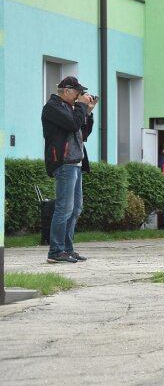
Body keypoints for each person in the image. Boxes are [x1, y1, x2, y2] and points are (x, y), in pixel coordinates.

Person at [42, 76, 96, 263]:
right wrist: (81, 107)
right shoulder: (52, 107)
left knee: (75, 209)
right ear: (66, 91)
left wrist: (88, 113)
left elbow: (83, 133)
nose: (79, 95)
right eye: (77, 92)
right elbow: (72, 124)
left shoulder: (71, 108)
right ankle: (55, 252)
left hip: (76, 163)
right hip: (64, 163)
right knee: (64, 208)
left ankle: (67, 249)